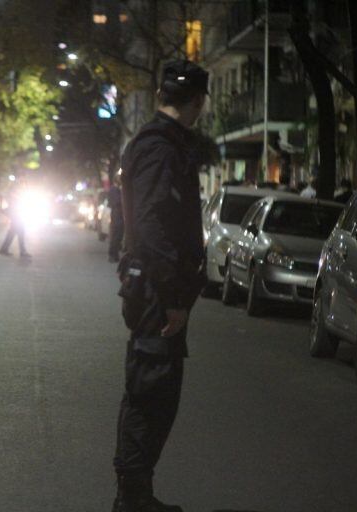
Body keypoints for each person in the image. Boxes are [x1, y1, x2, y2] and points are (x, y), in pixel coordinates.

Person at [113, 60, 208, 512]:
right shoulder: (160, 147)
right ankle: (133, 497)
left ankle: (136, 494)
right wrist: (173, 297)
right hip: (156, 292)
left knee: (155, 393)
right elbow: (150, 225)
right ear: (199, 104)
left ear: (157, 97)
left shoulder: (161, 144)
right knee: (150, 393)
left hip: (154, 287)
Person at [0, 180, 31, 258]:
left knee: (13, 231)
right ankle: (22, 251)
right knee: (20, 231)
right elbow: (13, 202)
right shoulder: (14, 193)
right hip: (16, 214)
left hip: (16, 213)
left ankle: (4, 248)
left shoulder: (14, 192)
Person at [108, 174, 124, 263]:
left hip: (117, 215)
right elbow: (116, 201)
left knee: (118, 235)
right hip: (116, 215)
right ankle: (112, 254)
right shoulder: (114, 190)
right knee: (116, 235)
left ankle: (115, 254)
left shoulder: (116, 189)